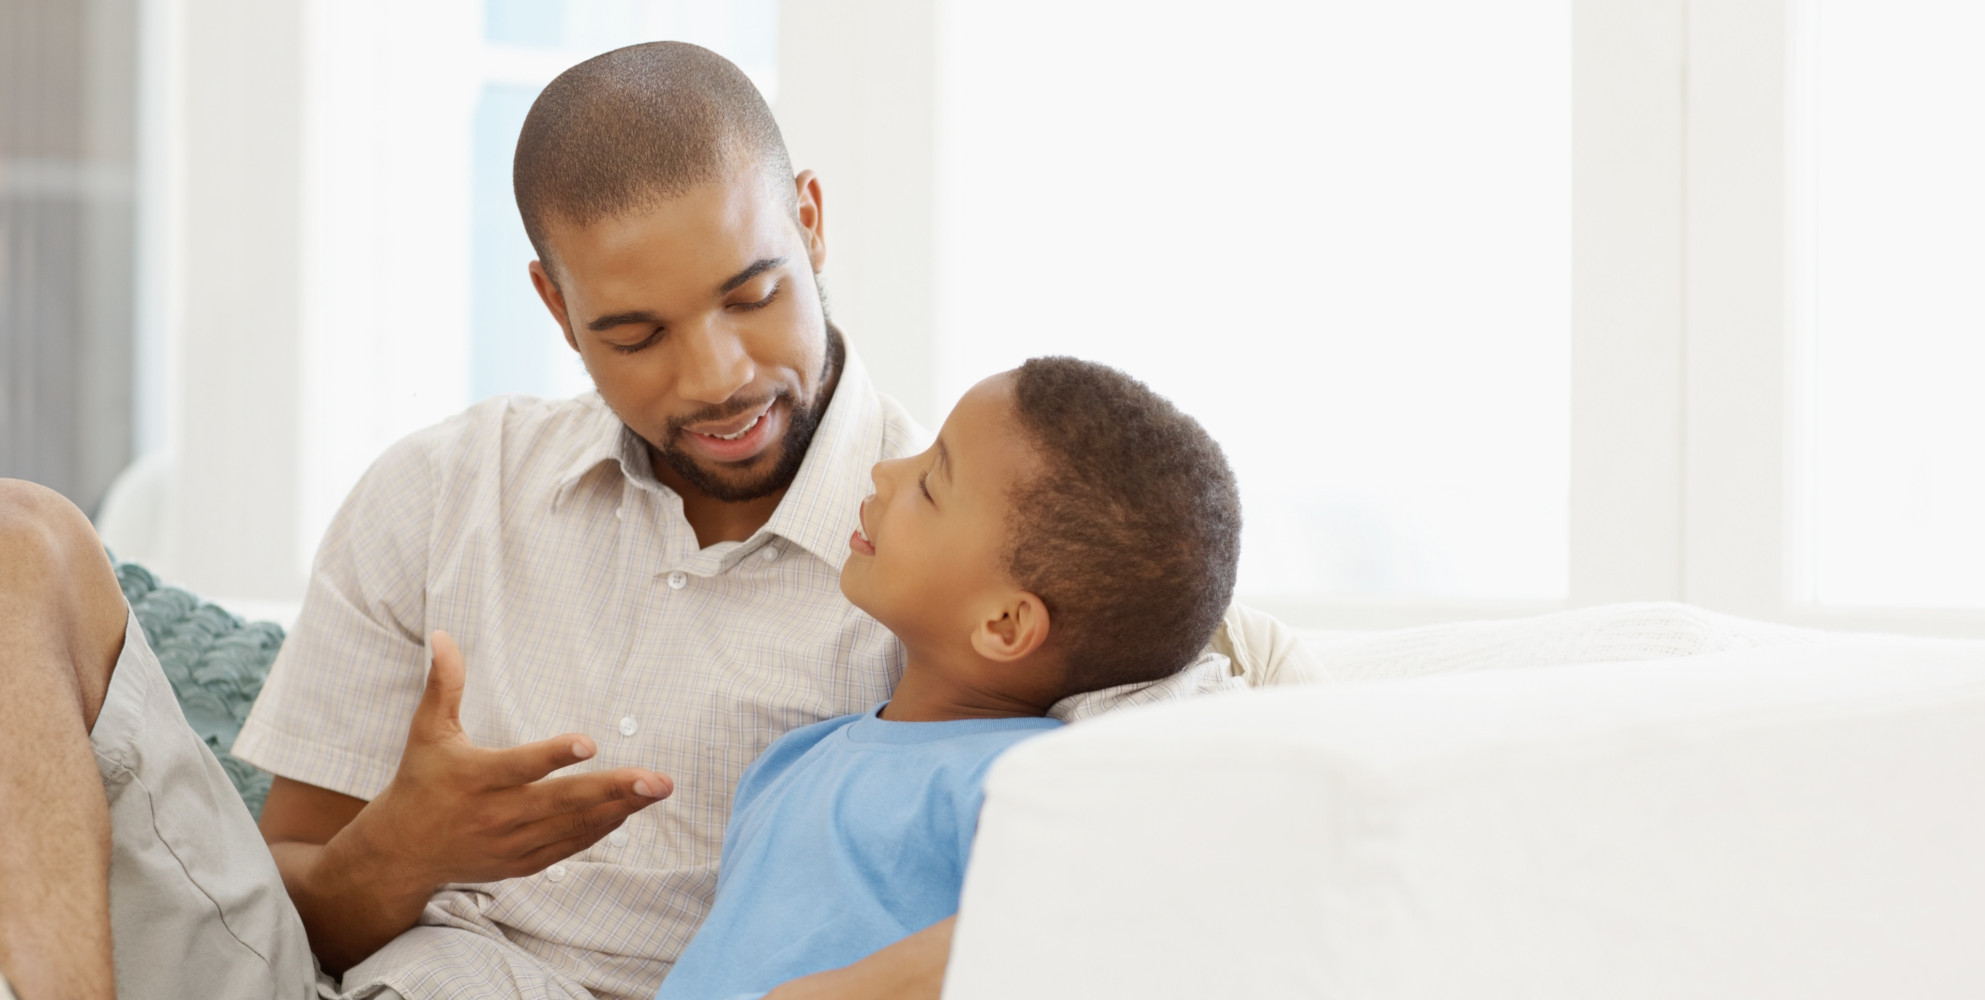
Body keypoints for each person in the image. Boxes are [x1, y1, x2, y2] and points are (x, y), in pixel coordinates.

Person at [0, 40, 1273, 1000]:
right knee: (20, 540)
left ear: (811, 223)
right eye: (634, 332)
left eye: (754, 293)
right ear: (557, 308)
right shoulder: (444, 490)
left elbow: (1167, 816)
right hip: (339, 975)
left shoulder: (971, 547)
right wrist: (404, 852)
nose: (715, 375)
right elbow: (285, 896)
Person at [655, 357, 1241, 1000]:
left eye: (931, 483)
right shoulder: (791, 760)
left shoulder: (1028, 784)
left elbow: (1107, 922)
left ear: (1006, 625)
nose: (884, 471)